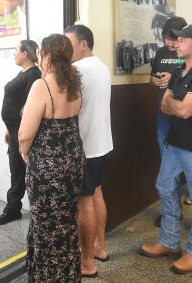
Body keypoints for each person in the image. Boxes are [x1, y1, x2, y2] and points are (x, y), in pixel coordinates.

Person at [141, 25, 192, 275]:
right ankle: (170, 242)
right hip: (174, 142)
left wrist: (177, 104)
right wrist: (177, 104)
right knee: (164, 187)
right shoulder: (178, 71)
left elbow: (184, 110)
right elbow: (166, 106)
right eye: (175, 39)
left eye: (181, 39)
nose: (176, 43)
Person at [19, 34, 85, 282]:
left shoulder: (42, 85)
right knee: (67, 220)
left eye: (41, 54)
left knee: (45, 224)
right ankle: (68, 275)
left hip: (48, 168)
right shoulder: (75, 83)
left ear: (47, 56)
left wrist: (24, 151)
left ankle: (47, 277)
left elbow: (26, 134)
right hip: (73, 161)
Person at [65, 24, 114, 277]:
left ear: (84, 43)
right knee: (96, 193)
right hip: (101, 142)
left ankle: (87, 263)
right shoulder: (101, 66)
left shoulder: (77, 70)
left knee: (85, 202)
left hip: (84, 144)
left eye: (69, 43)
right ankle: (100, 247)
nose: (65, 49)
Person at [0, 40, 42, 225]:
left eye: (16, 50)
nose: (14, 54)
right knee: (16, 171)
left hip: (24, 133)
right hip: (15, 130)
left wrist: (23, 135)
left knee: (26, 172)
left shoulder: (34, 75)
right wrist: (8, 128)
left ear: (25, 53)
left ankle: (36, 211)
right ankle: (13, 208)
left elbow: (30, 108)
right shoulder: (23, 73)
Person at [149, 16, 187, 226]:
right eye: (168, 39)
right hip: (164, 118)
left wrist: (172, 80)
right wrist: (156, 79)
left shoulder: (191, 54)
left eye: (175, 39)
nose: (171, 44)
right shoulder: (162, 53)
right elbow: (152, 76)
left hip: (185, 118)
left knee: (189, 166)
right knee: (167, 166)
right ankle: (171, 211)